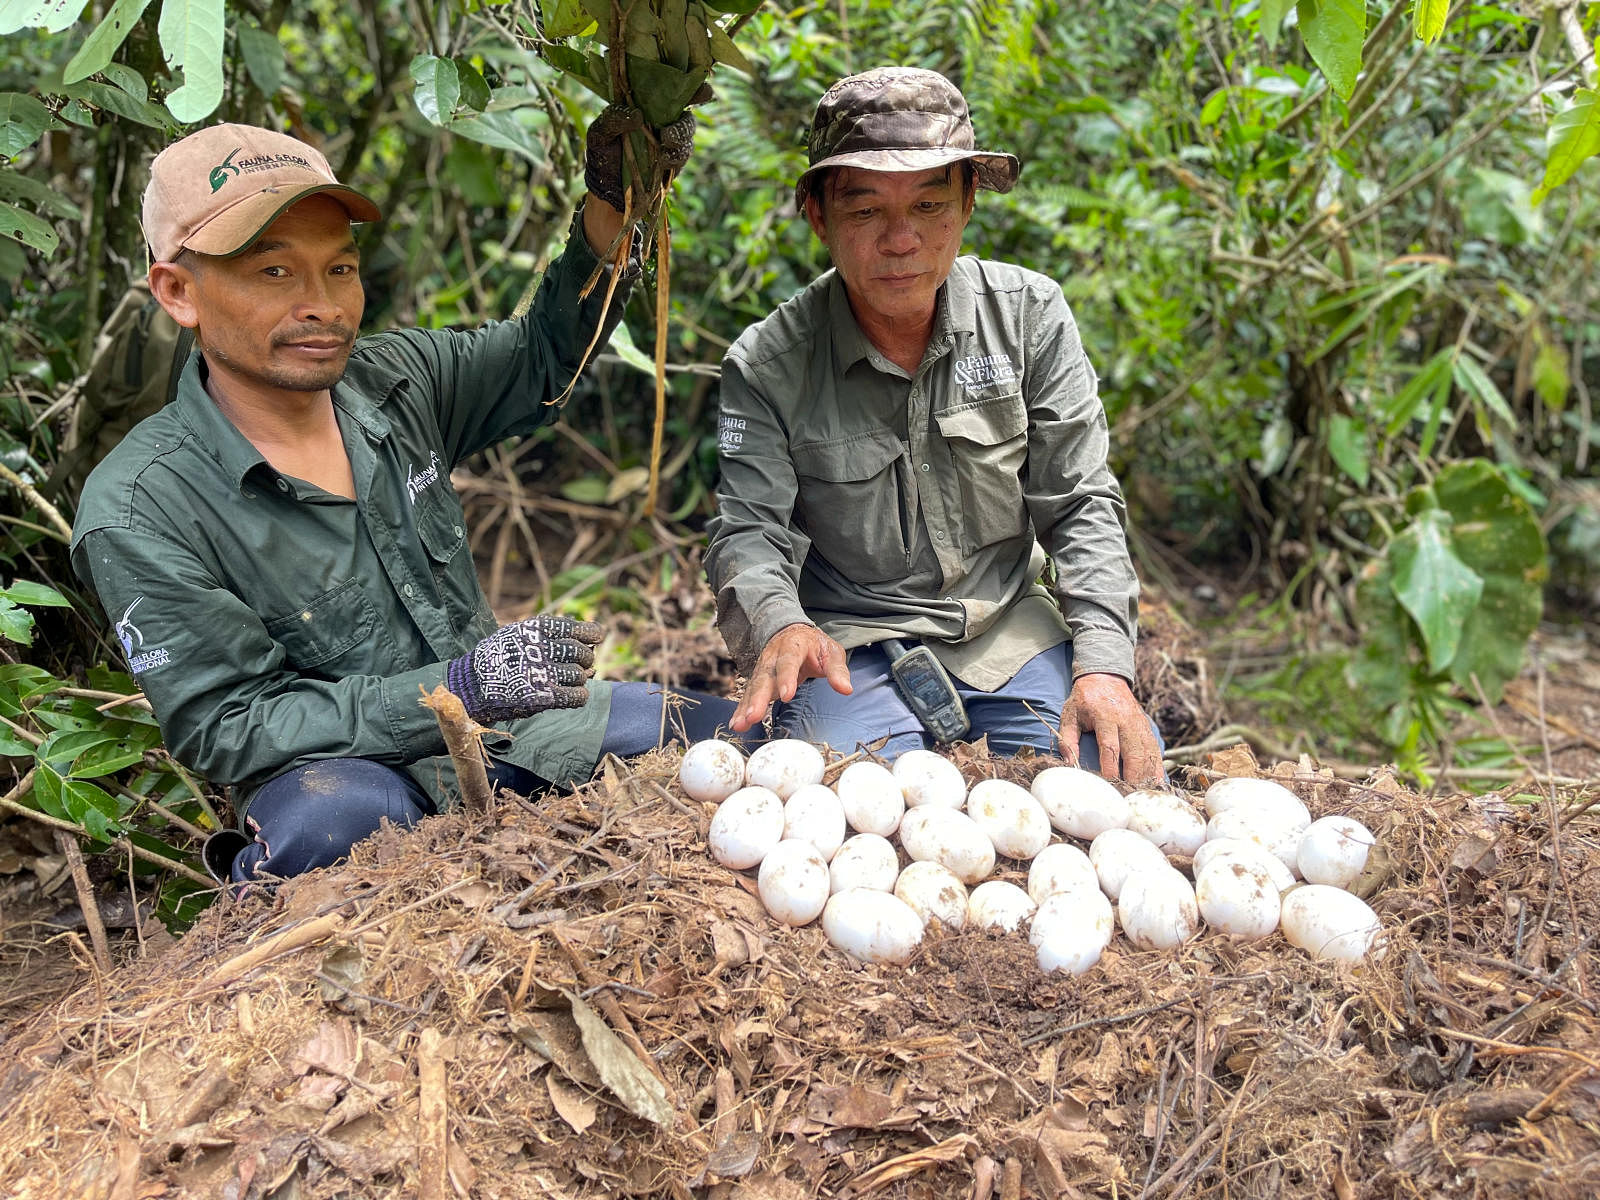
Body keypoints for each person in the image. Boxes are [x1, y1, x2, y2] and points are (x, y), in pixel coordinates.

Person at [71, 116, 739, 887]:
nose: (322, 305)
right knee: (330, 831)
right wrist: (453, 691)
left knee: (731, 742)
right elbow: (229, 727)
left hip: (514, 734)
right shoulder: (140, 508)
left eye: (341, 270)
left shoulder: (400, 381)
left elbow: (543, 356)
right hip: (352, 778)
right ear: (178, 291)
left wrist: (616, 205)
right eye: (275, 274)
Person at [703, 67, 1163, 783]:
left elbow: (1081, 504)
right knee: (843, 801)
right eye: (864, 212)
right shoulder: (767, 365)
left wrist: (1104, 666)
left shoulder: (1028, 317)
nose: (900, 240)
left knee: (1103, 782)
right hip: (850, 646)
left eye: (928, 205)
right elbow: (749, 532)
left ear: (968, 204)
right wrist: (780, 624)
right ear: (818, 215)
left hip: (1009, 630)